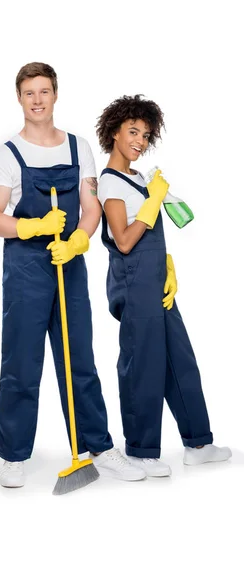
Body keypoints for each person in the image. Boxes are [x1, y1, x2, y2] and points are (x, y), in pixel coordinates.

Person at [0, 63, 146, 487]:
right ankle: (14, 454)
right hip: (25, 269)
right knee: (21, 359)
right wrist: (33, 227)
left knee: (79, 358)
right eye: (29, 92)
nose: (37, 99)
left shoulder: (79, 148)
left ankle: (99, 447)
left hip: (68, 264)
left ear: (56, 95)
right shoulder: (7, 154)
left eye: (44, 91)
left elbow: (91, 210)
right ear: (19, 98)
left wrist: (78, 240)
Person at [96, 94, 231, 477]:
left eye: (146, 134)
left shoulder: (138, 178)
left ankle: (198, 443)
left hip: (155, 281)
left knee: (180, 360)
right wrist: (153, 202)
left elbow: (151, 228)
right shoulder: (110, 182)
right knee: (143, 363)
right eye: (132, 131)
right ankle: (140, 449)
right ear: (114, 132)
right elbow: (122, 239)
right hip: (133, 282)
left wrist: (168, 267)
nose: (140, 140)